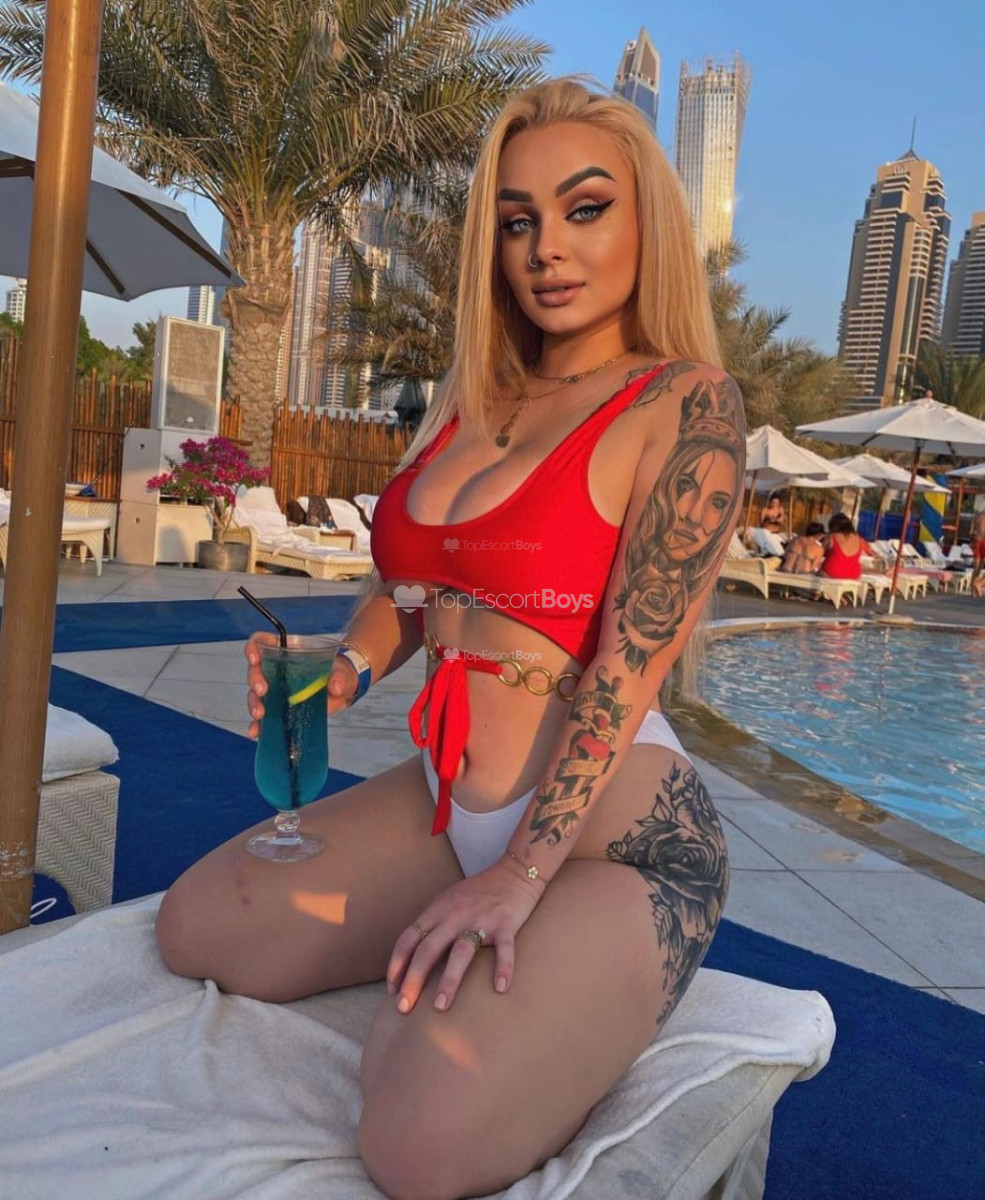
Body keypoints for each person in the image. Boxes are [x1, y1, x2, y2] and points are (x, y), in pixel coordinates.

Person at [155, 79, 745, 1200]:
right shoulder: (478, 397)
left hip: (615, 840)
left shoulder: (685, 403)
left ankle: (533, 992)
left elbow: (627, 672)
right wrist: (346, 666)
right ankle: (469, 986)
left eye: (584, 209)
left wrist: (520, 874)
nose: (546, 247)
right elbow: (414, 586)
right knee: (201, 930)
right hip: (446, 802)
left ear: (646, 226)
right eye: (517, 221)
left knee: (416, 1149)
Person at [820, 512, 871, 580]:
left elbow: (819, 552)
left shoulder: (832, 537)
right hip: (853, 574)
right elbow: (870, 552)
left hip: (832, 572)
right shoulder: (859, 539)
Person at [971, 509, 985, 596]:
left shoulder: (977, 515)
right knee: (978, 566)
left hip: (977, 540)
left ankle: (973, 590)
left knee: (977, 567)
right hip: (982, 541)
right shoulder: (979, 515)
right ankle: (977, 585)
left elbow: (971, 531)